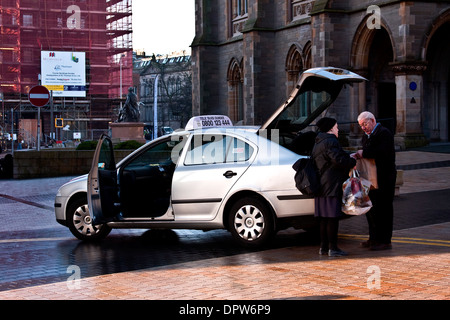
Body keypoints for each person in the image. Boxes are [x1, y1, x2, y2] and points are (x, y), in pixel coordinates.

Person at [311, 117, 357, 257]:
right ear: (331, 128)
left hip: (321, 184)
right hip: (331, 184)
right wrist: (352, 161)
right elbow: (338, 160)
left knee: (324, 218)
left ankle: (324, 248)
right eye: (336, 127)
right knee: (332, 218)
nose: (338, 129)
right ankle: (333, 248)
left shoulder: (318, 141)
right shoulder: (330, 141)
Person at [353, 111, 396, 250]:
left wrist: (364, 153)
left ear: (372, 120)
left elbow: (382, 152)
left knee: (384, 209)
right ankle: (373, 238)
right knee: (372, 209)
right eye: (361, 126)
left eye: (365, 124)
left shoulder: (384, 133)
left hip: (384, 178)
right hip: (372, 179)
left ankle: (384, 240)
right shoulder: (367, 137)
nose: (363, 128)